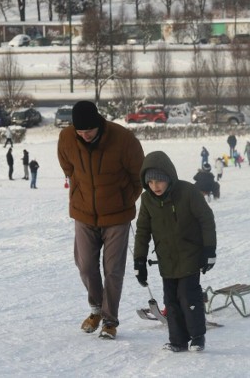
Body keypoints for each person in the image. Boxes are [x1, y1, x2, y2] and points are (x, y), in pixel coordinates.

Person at [57, 100, 145, 340]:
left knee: (113, 270)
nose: (84, 135)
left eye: (89, 131)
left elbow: (139, 176)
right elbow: (68, 167)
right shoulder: (66, 138)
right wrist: (79, 193)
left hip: (117, 215)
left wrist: (123, 200)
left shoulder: (124, 140)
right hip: (84, 213)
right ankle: (96, 308)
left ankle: (109, 319)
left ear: (99, 124)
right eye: (80, 131)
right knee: (85, 265)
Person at [134, 151, 217, 352]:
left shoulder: (188, 192)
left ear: (169, 177)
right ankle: (178, 340)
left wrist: (209, 250)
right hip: (166, 258)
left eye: (160, 182)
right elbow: (143, 231)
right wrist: (139, 260)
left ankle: (197, 337)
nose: (156, 186)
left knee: (188, 297)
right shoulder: (147, 200)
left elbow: (206, 219)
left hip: (190, 253)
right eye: (151, 182)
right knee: (170, 301)